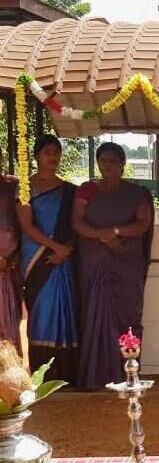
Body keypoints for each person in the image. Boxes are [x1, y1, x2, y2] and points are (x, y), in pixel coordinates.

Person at [72, 142, 154, 391]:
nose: (107, 165)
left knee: (128, 316)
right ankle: (95, 375)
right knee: (93, 314)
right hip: (94, 262)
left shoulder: (136, 193)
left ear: (122, 164)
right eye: (103, 160)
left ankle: (128, 373)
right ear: (98, 163)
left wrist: (116, 231)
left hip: (126, 263)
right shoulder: (87, 190)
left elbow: (143, 223)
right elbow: (77, 222)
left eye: (113, 161)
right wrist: (100, 235)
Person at [16, 134, 79, 382]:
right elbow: (26, 226)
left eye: (56, 152)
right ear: (36, 156)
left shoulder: (69, 191)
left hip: (63, 261)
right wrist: (55, 248)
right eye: (47, 152)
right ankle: (42, 374)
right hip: (37, 260)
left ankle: (66, 372)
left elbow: (74, 225)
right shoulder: (25, 188)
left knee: (66, 310)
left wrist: (66, 249)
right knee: (41, 312)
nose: (52, 157)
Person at [0, 157, 21, 352]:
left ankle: (9, 366)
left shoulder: (13, 186)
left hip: (8, 267)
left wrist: (11, 259)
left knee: (9, 324)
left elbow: (22, 224)